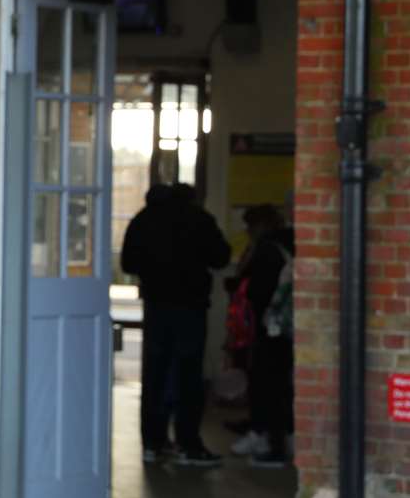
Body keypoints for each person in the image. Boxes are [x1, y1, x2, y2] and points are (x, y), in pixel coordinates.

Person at [120, 182, 231, 466]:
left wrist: (153, 269)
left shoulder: (144, 219)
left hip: (157, 305)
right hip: (190, 306)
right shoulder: (199, 219)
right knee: (189, 376)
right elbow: (221, 257)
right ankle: (188, 444)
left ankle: (153, 443)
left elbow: (128, 263)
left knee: (154, 374)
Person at [234, 206, 296, 466]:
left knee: (269, 383)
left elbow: (254, 285)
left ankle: (272, 443)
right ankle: (270, 436)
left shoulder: (267, 249)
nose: (247, 231)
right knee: (277, 383)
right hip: (283, 326)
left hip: (270, 325)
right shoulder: (288, 244)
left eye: (250, 226)